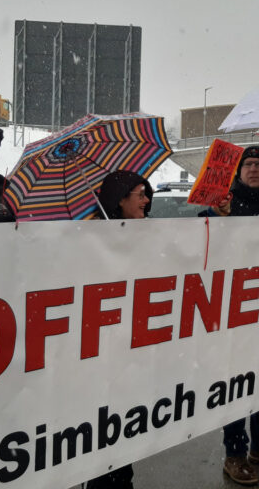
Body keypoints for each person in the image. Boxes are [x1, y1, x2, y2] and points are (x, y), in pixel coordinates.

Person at [201, 145, 259, 486]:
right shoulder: (222, 202)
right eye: (248, 164)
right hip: (236, 312)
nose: (253, 169)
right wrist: (221, 215)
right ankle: (235, 453)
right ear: (238, 172)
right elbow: (202, 239)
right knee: (237, 384)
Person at [82, 170, 154, 489]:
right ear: (120, 199)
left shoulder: (148, 236)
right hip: (97, 356)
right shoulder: (87, 238)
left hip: (130, 353)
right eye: (140, 194)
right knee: (97, 432)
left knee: (123, 430)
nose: (147, 200)